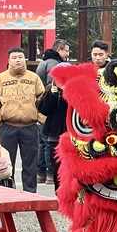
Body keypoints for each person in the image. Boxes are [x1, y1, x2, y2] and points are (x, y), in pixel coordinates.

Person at [0, 47, 45, 193]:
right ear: (9, 60)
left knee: (30, 164)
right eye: (14, 57)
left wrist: (39, 119)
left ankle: (30, 195)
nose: (18, 60)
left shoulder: (34, 78)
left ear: (24, 59)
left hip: (30, 127)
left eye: (20, 57)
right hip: (8, 127)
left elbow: (42, 100)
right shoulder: (1, 78)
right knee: (6, 163)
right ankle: (7, 194)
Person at [35, 39, 69, 185]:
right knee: (56, 166)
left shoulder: (77, 90)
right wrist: (53, 93)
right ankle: (48, 175)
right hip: (55, 133)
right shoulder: (51, 88)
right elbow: (43, 109)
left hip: (71, 135)